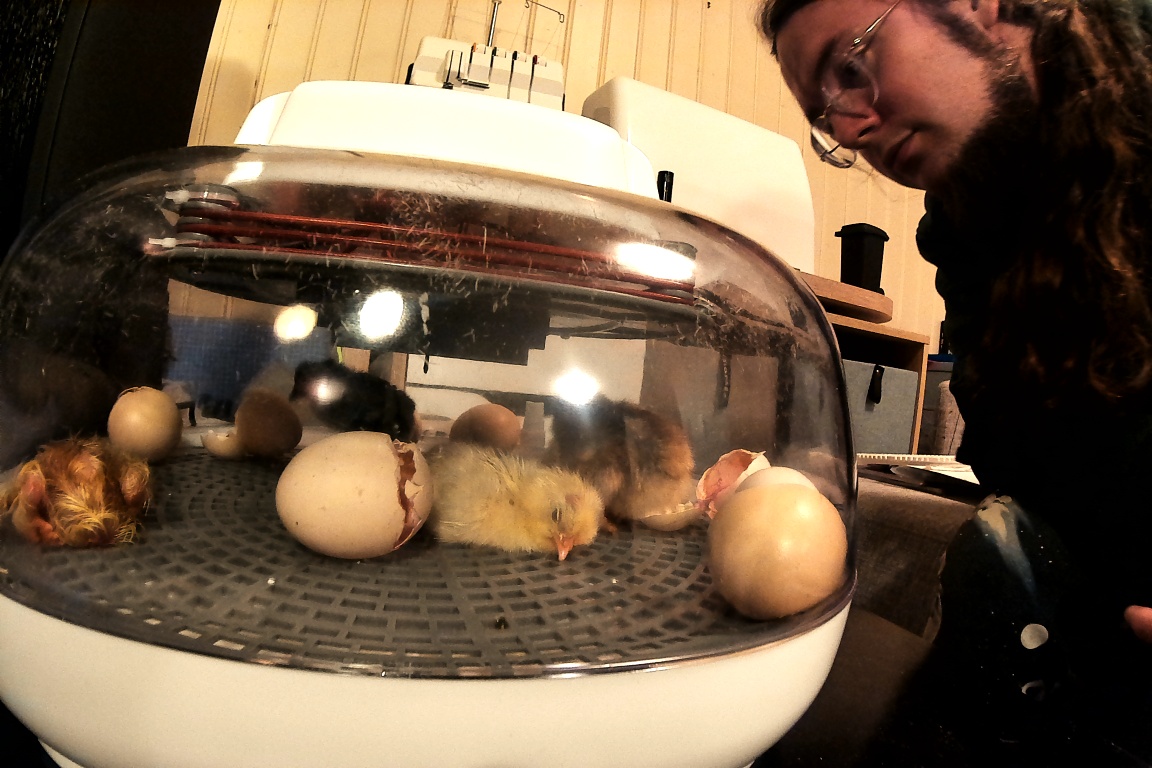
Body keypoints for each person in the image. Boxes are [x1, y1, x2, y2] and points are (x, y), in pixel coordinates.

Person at [758, 0, 1152, 763]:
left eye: (852, 66)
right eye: (826, 118)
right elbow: (1005, 429)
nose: (851, 130)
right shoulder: (961, 221)